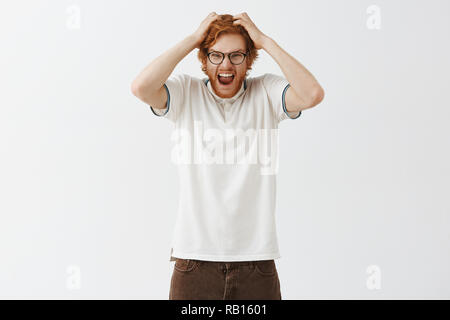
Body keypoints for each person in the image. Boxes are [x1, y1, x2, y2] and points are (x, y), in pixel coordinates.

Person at [131, 12, 324, 300]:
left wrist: (265, 41)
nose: (226, 65)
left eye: (236, 56)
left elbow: (312, 94)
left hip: (256, 263)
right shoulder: (186, 92)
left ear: (249, 60)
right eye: (216, 56)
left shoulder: (266, 92)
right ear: (204, 59)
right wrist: (194, 39)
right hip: (193, 263)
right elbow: (141, 87)